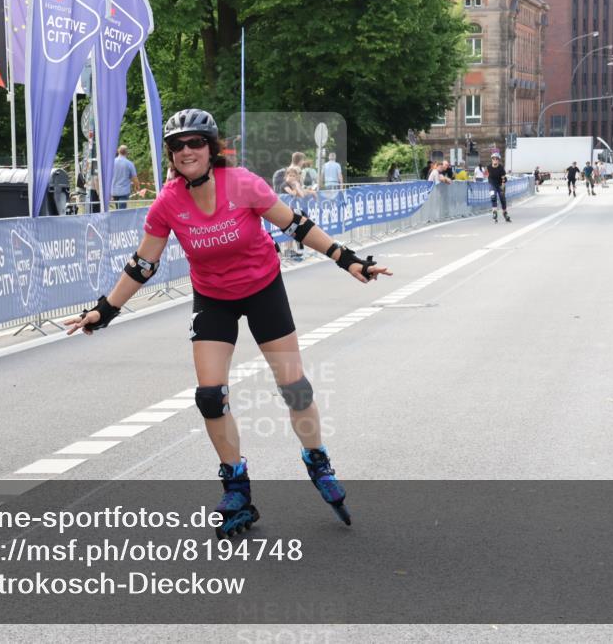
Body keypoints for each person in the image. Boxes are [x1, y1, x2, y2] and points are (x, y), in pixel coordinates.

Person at [65, 109, 391, 538]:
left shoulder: (241, 183)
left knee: (295, 387)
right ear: (171, 154)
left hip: (262, 289)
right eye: (177, 145)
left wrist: (345, 259)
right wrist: (105, 310)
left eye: (195, 142)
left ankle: (318, 461)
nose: (186, 151)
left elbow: (295, 224)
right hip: (213, 298)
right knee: (209, 396)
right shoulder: (167, 203)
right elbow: (144, 263)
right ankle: (236, 485)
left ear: (211, 147)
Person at [281, 166, 317, 261]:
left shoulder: (294, 184)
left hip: (293, 210)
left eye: (294, 176)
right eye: (290, 175)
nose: (292, 177)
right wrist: (296, 186)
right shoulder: (285, 184)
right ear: (286, 176)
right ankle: (288, 251)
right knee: (290, 230)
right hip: (284, 211)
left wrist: (311, 192)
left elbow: (301, 194)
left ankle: (296, 250)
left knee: (297, 228)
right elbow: (293, 193)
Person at [111, 145, 140, 210]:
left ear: (118, 151)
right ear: (127, 153)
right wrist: (137, 186)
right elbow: (134, 178)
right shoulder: (129, 164)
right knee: (121, 211)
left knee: (117, 210)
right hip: (124, 191)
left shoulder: (112, 162)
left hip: (114, 191)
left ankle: (117, 219)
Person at [486, 152, 510, 223]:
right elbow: (486, 174)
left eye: (496, 159)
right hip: (492, 184)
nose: (495, 160)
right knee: (493, 197)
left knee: (502, 198)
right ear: (492, 160)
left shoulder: (501, 168)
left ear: (498, 160)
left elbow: (503, 179)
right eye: (493, 159)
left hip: (500, 184)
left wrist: (502, 187)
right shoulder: (489, 167)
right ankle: (494, 212)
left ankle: (505, 213)